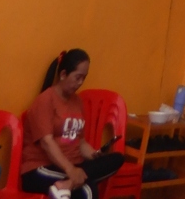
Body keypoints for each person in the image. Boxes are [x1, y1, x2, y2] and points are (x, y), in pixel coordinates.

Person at [21, 50, 124, 199]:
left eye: (84, 78)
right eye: (78, 77)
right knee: (87, 190)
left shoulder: (77, 102)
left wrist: (94, 154)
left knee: (117, 158)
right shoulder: (45, 100)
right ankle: (71, 182)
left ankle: (67, 184)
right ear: (63, 74)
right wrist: (71, 170)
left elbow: (80, 142)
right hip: (40, 168)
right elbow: (47, 143)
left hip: (73, 165)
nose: (80, 83)